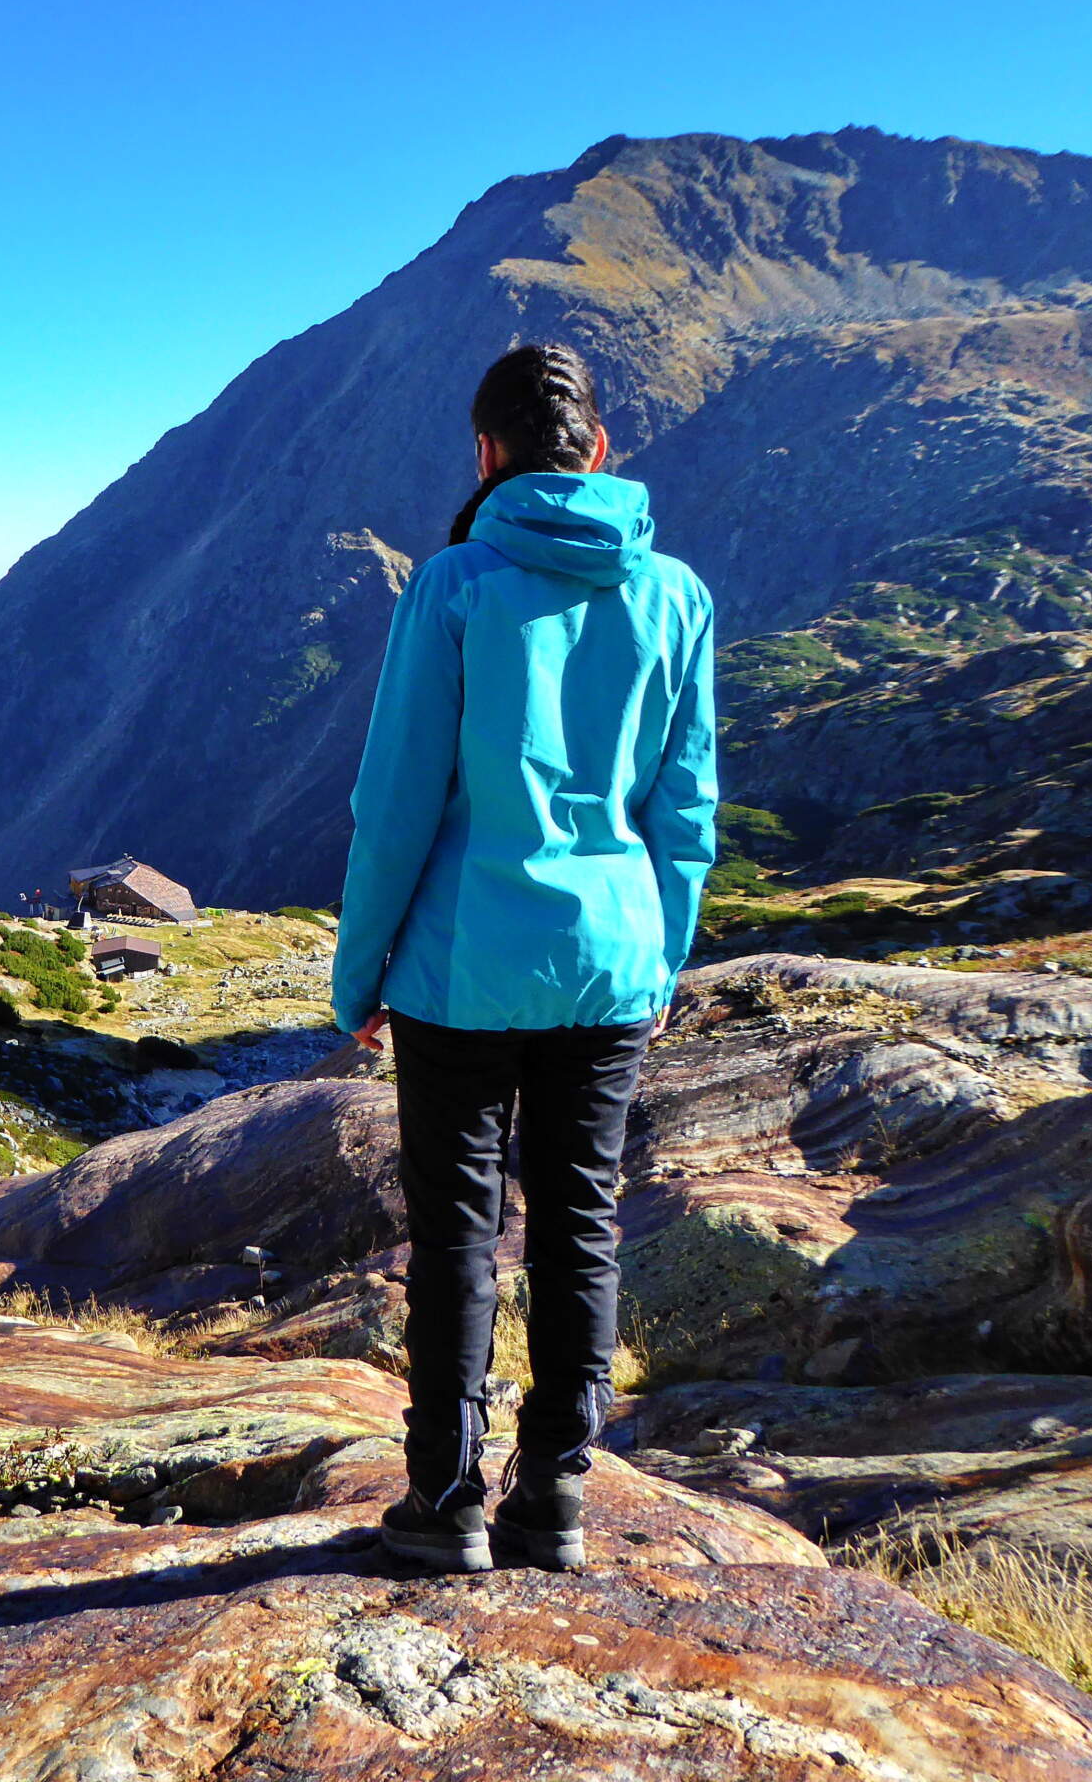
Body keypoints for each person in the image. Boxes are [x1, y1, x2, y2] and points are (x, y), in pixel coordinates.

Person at [331, 342, 717, 1573]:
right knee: (578, 1224)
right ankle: (552, 1495)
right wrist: (658, 963)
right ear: (599, 453)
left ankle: (443, 1501)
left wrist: (361, 976)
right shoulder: (677, 598)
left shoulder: (452, 586)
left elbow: (395, 802)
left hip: (458, 967)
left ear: (485, 455)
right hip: (608, 965)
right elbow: (686, 813)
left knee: (454, 1235)